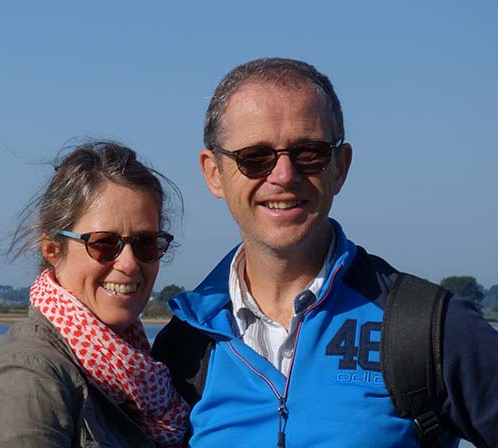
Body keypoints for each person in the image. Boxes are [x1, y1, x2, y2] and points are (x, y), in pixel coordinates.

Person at [151, 58, 498, 447]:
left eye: (309, 152)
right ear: (213, 172)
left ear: (341, 167)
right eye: (255, 158)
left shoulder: (430, 329)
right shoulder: (183, 347)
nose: (283, 175)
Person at [0, 140, 189, 447]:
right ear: (52, 248)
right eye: (104, 243)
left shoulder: (140, 374)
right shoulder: (27, 378)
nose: (129, 263)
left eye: (145, 243)